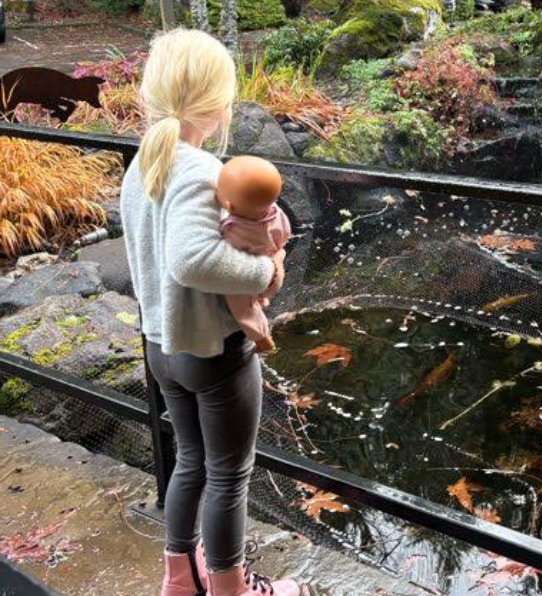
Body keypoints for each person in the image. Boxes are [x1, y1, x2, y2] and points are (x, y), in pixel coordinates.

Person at [120, 29, 309, 596]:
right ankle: (232, 589)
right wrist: (265, 274)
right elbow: (191, 259)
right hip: (210, 350)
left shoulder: (144, 163)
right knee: (229, 474)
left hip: (162, 347)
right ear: (217, 100)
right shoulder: (200, 170)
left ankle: (180, 579)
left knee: (191, 462)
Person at [217, 155, 292, 354]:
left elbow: (222, 254)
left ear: (229, 206)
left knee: (240, 305)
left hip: (255, 278)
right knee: (253, 299)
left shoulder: (233, 229)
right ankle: (260, 299)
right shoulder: (276, 212)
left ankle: (260, 336)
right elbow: (285, 235)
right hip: (273, 268)